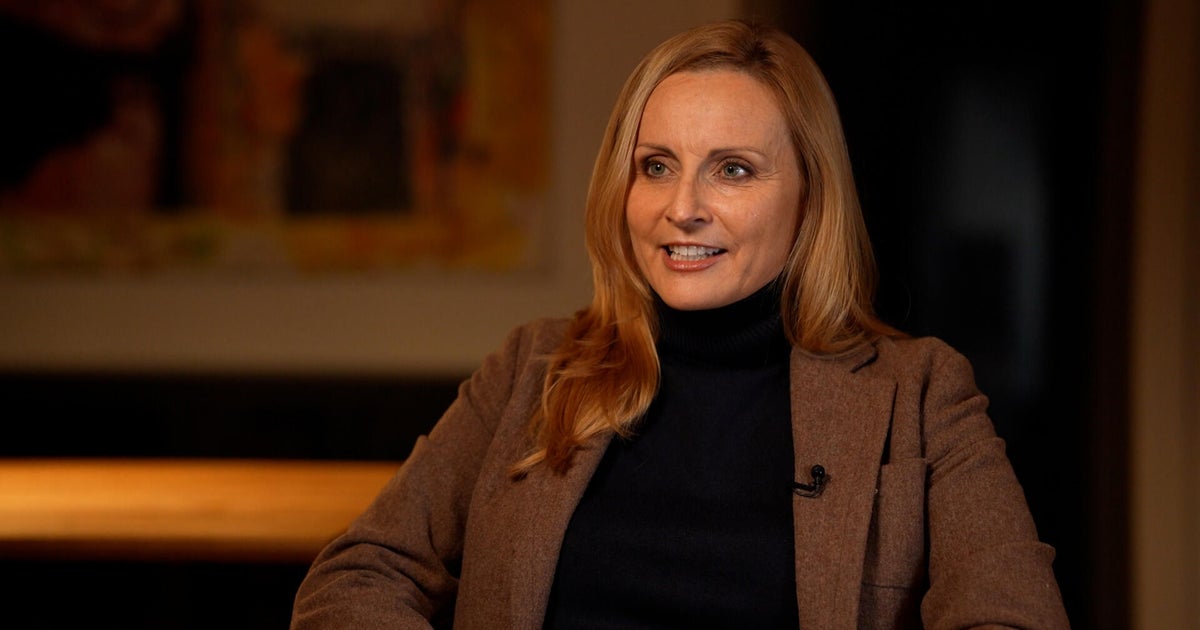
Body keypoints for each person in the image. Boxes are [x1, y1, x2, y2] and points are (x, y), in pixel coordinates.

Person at [291, 20, 1069, 629]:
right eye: (656, 166)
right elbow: (357, 575)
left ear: (809, 198)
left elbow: (1011, 615)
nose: (682, 207)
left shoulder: (923, 393)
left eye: (733, 169)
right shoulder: (532, 367)